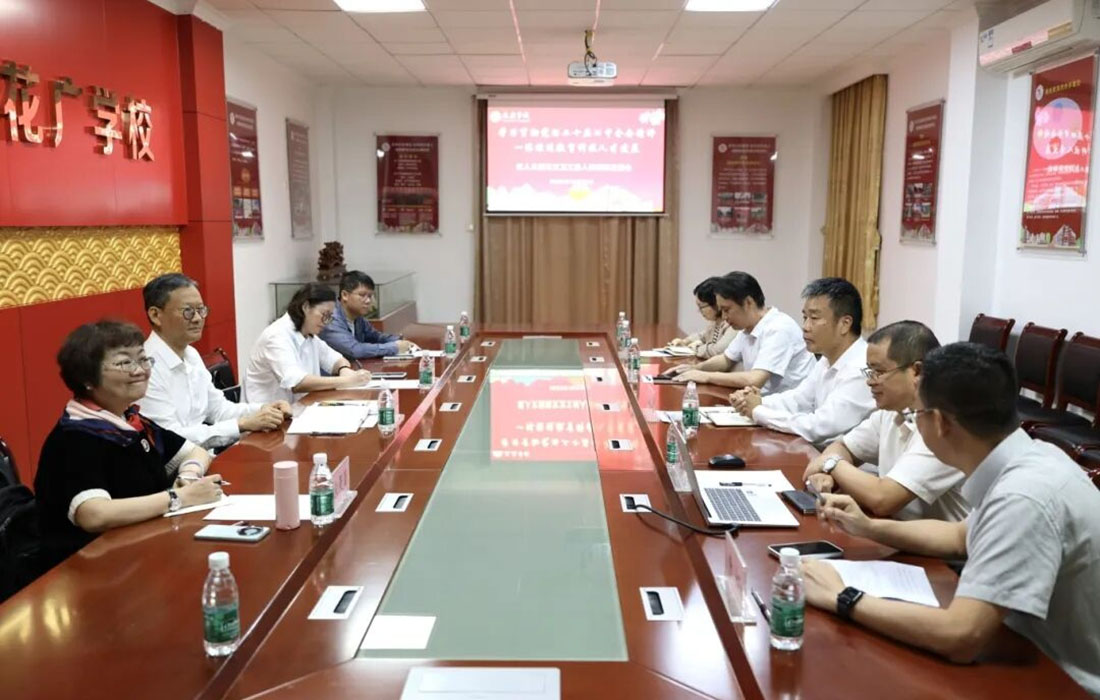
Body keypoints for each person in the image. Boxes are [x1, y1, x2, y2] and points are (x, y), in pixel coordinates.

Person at [801, 343, 1100, 695]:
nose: (914, 421)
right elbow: (960, 537)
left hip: (1064, 680)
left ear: (940, 422)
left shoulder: (1023, 497)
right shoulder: (1031, 458)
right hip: (1023, 648)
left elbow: (962, 636)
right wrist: (868, 528)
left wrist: (842, 596)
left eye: (917, 414)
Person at [34, 321, 224, 568]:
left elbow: (195, 451)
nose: (140, 371)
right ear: (87, 378)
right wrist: (179, 497)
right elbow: (94, 514)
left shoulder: (130, 420)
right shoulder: (76, 436)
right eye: (125, 363)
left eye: (143, 360)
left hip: (140, 550)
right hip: (84, 567)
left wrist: (188, 476)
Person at [802, 321, 969, 521]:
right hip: (896, 530)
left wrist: (830, 464)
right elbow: (843, 447)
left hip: (938, 541)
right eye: (869, 371)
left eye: (879, 372)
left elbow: (883, 499)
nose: (870, 381)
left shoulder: (943, 424)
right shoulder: (892, 411)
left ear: (917, 371)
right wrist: (828, 474)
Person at [139, 273, 291, 450]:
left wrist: (266, 409)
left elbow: (219, 410)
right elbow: (171, 439)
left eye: (201, 310)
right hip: (177, 464)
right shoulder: (145, 369)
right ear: (156, 315)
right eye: (188, 311)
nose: (197, 318)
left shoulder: (191, 354)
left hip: (203, 456)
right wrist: (242, 424)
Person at [730, 277, 874, 445]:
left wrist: (758, 411)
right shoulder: (827, 359)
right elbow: (799, 399)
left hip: (842, 458)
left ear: (845, 324)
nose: (805, 326)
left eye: (814, 318)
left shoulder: (861, 369)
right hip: (817, 451)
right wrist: (755, 401)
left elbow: (818, 427)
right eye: (805, 317)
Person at [668, 271, 814, 393]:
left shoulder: (778, 328)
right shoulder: (747, 328)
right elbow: (725, 360)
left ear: (748, 302)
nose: (724, 317)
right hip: (762, 403)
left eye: (727, 310)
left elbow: (754, 379)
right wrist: (693, 369)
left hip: (790, 410)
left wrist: (705, 376)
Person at [244, 283, 372, 404]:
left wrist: (343, 369)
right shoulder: (277, 336)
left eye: (330, 317)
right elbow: (297, 383)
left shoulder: (308, 334)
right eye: (324, 315)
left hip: (299, 408)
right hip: (267, 414)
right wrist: (346, 381)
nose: (326, 322)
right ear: (305, 307)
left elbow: (336, 360)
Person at [319, 271, 416, 360]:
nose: (368, 301)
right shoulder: (331, 319)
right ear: (345, 295)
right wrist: (394, 347)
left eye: (370, 296)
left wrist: (399, 340)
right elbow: (354, 350)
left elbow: (375, 337)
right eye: (362, 295)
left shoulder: (357, 316)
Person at [667, 277, 737, 359]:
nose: (699, 311)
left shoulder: (733, 324)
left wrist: (692, 349)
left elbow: (718, 350)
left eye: (701, 307)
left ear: (716, 303)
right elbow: (702, 336)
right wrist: (684, 341)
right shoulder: (715, 322)